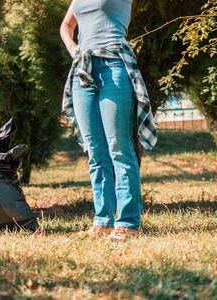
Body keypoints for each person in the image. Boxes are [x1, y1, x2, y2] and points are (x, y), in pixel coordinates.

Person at [59, 0, 158, 241]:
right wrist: (74, 49)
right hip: (83, 69)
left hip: (114, 65)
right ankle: (102, 221)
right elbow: (66, 25)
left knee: (119, 148)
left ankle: (127, 223)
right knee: (95, 151)